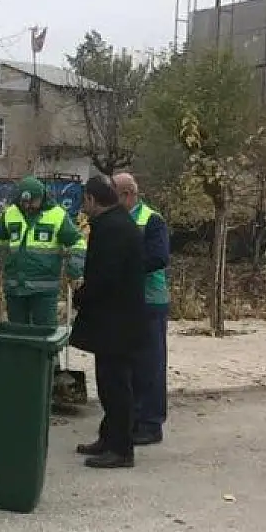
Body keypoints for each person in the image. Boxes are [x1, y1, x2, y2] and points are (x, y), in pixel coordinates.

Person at [70, 175, 148, 469]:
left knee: (116, 386)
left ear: (92, 199)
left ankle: (121, 449)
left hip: (117, 322)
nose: (83, 207)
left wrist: (82, 295)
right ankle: (108, 437)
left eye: (84, 201)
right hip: (116, 320)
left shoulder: (113, 229)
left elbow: (105, 277)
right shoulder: (116, 223)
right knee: (109, 383)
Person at [112, 172, 171, 446]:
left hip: (150, 302)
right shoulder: (118, 220)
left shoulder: (151, 219)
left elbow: (158, 257)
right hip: (127, 303)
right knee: (130, 365)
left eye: (114, 194)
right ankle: (133, 419)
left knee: (150, 365)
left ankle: (150, 423)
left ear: (128, 194)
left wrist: (126, 268)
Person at [0, 175, 86, 328]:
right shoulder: (10, 213)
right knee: (18, 335)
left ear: (42, 197)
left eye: (32, 201)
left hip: (44, 290)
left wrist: (75, 269)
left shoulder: (57, 215)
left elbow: (77, 243)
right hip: (15, 287)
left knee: (45, 335)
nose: (28, 205)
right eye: (24, 201)